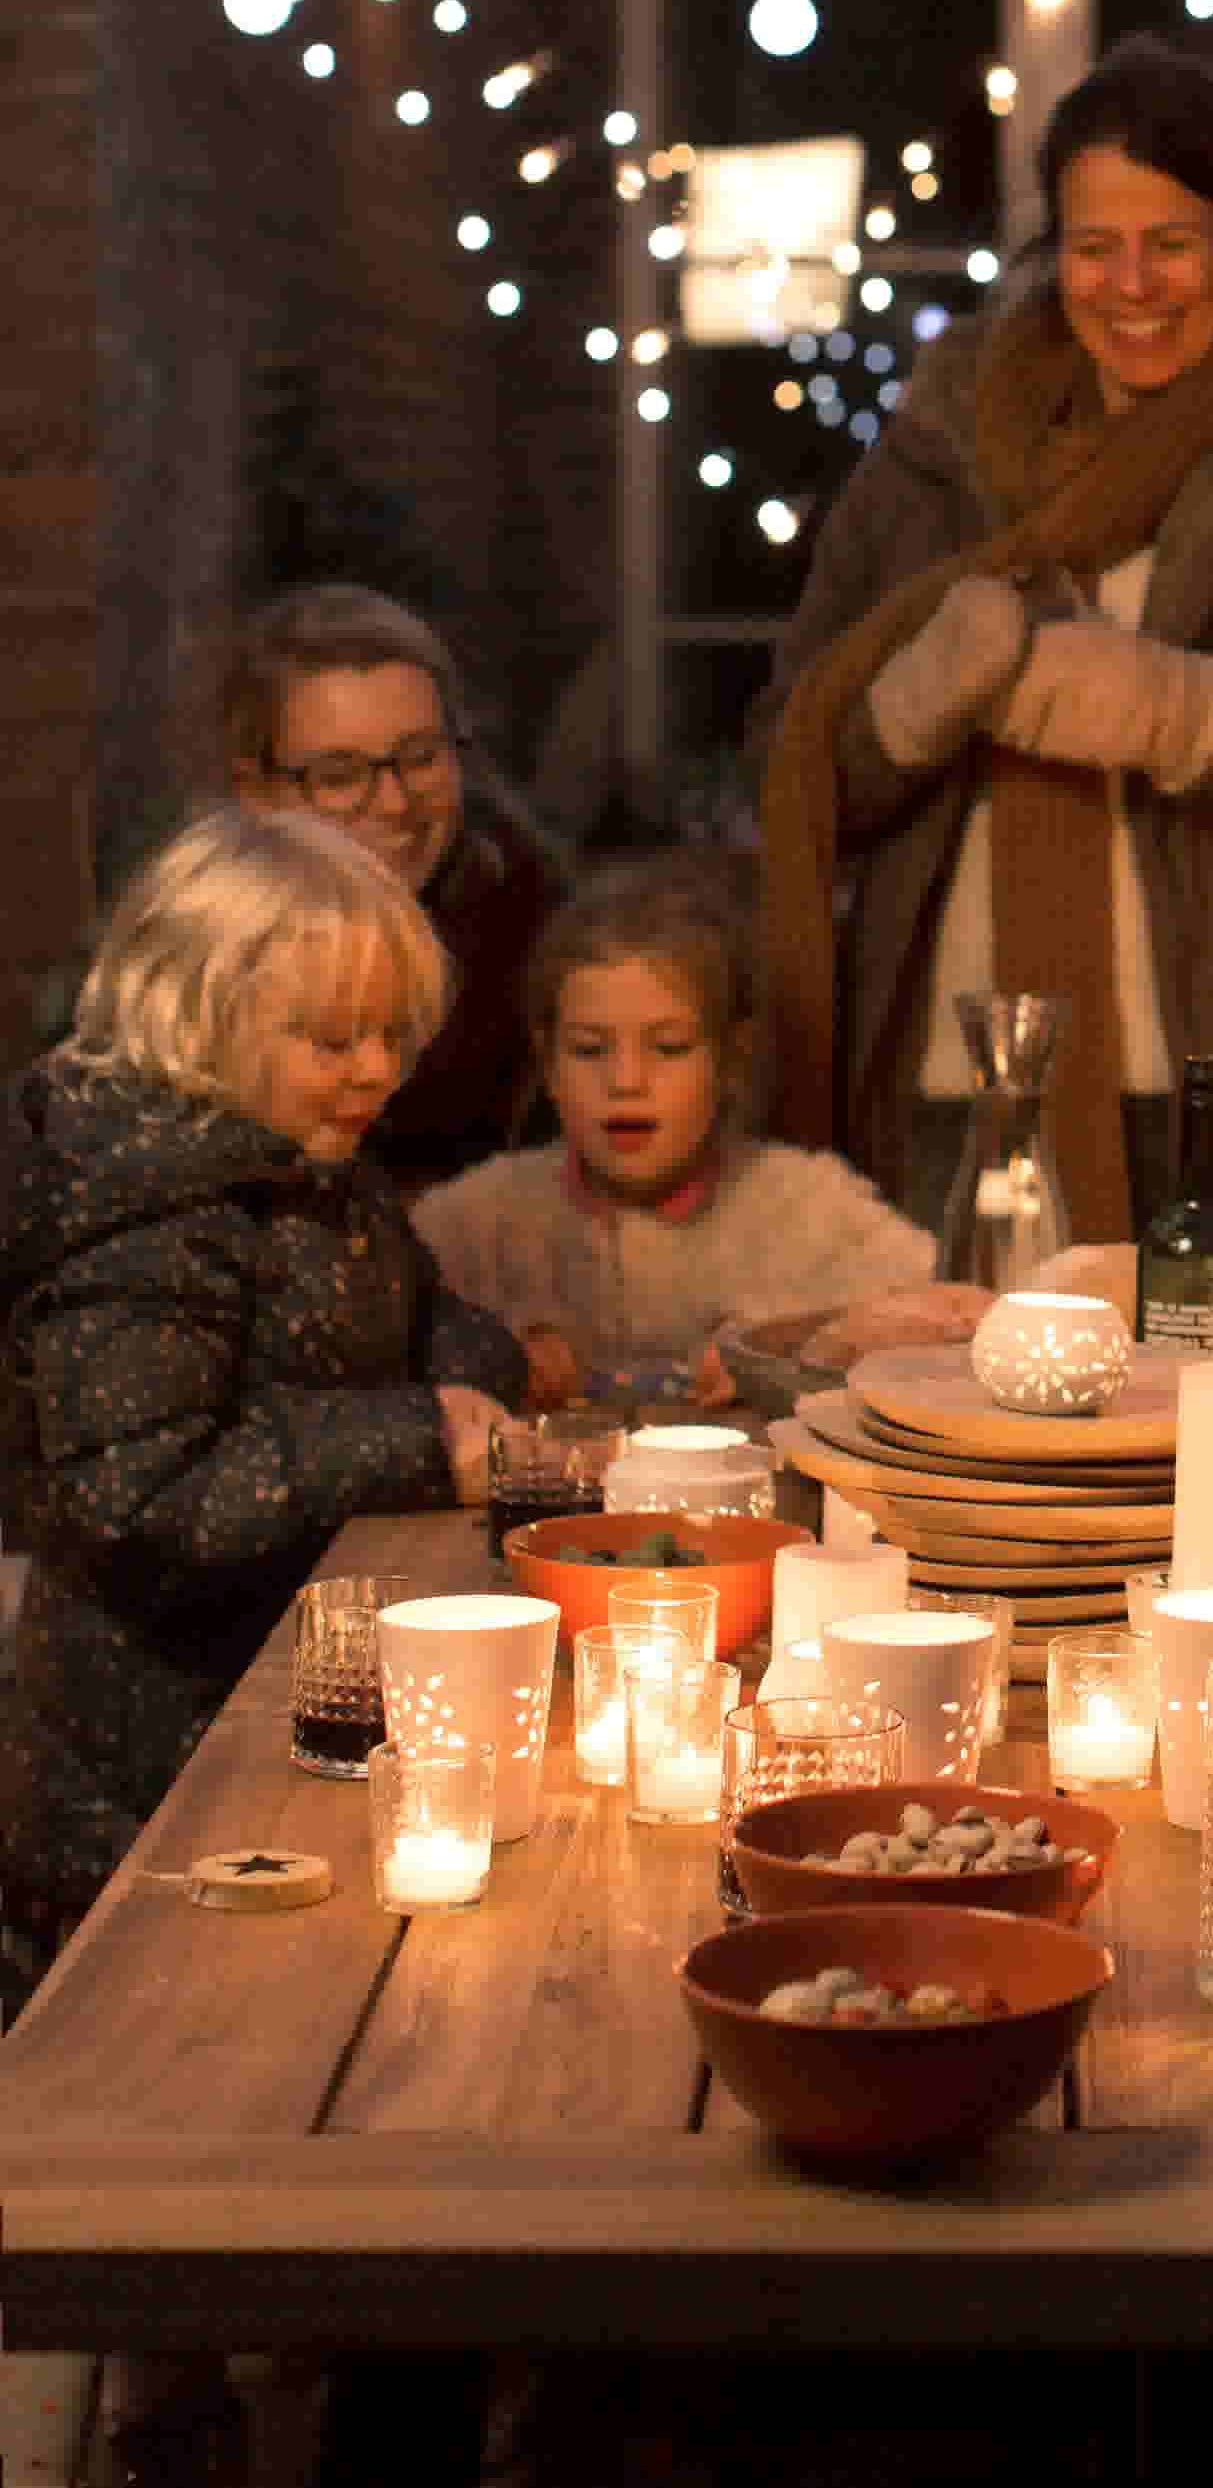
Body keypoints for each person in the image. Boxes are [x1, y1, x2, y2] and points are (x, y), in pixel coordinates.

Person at [751, 37, 1213, 1343]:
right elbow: (787, 766)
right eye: (1091, 244)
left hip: (1204, 1113)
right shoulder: (939, 448)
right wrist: (904, 714)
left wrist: (1200, 728)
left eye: (1169, 242)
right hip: (937, 1097)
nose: (1129, 287)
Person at [0, 805, 525, 2018]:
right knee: (195, 2051)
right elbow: (140, 1494)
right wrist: (411, 1436)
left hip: (260, 1702)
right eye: (335, 1038)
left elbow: (399, 1315)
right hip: (146, 1775)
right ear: (199, 1021)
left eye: (393, 1034)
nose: (378, 1071)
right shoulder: (144, 1216)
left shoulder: (293, 1166)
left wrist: (473, 1371)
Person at [414, 852, 986, 1398]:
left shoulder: (813, 1210)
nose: (626, 1081)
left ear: (730, 1059)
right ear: (547, 1062)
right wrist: (484, 1356)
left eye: (668, 1048)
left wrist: (787, 1348)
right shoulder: (471, 1227)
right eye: (589, 1050)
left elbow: (967, 1318)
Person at [212, 584, 567, 1190]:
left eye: (421, 756)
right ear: (257, 790)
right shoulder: (200, 955)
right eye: (339, 776)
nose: (395, 802)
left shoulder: (526, 916)